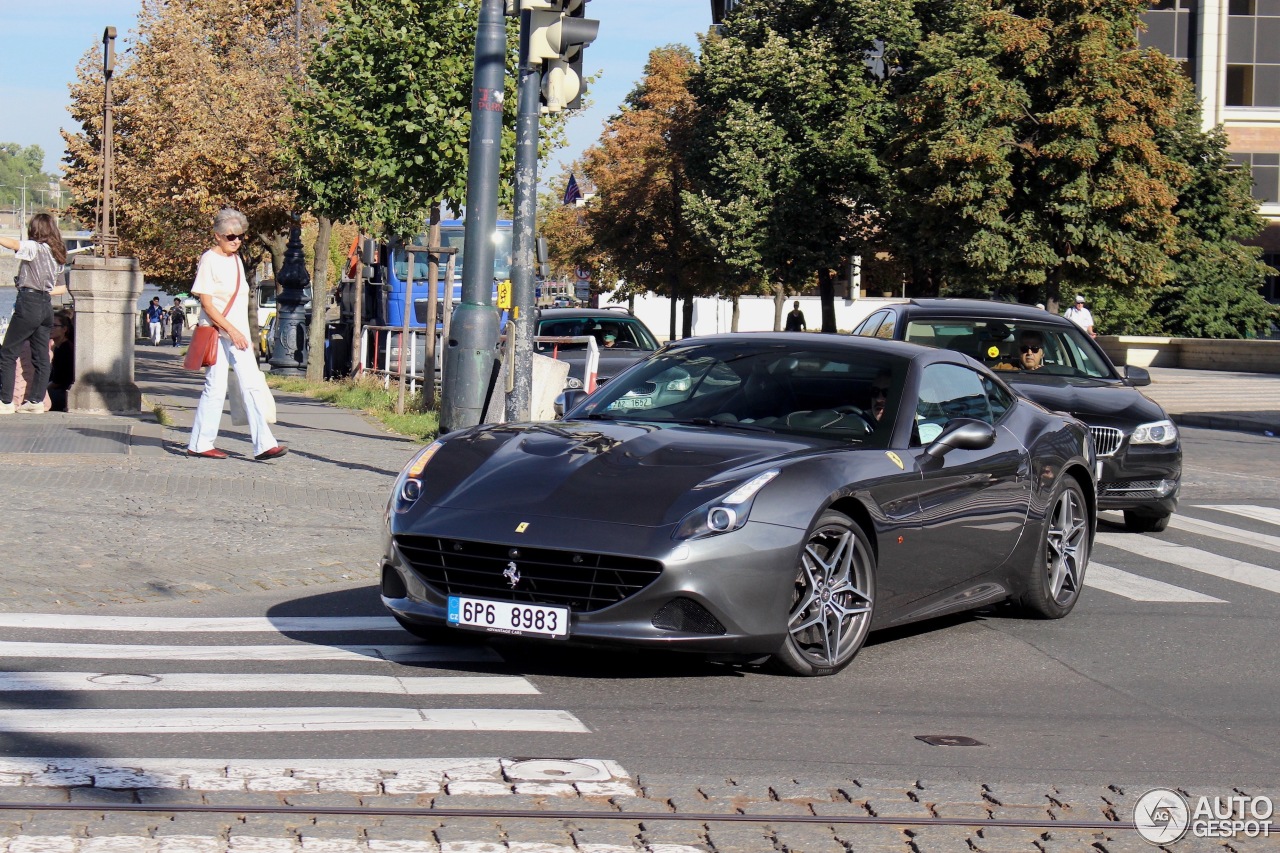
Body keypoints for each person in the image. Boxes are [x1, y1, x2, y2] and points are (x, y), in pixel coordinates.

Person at [187, 209, 287, 461]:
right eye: (231, 236)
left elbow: (240, 302)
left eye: (241, 236)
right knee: (216, 387)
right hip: (219, 332)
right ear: (217, 235)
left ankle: (263, 443)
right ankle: (201, 443)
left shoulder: (237, 260)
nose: (236, 241)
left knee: (251, 383)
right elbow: (208, 304)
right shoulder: (209, 260)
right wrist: (231, 329)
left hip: (236, 333)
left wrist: (242, 331)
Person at [0, 213, 68, 415]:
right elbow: (61, 289)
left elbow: (13, 244)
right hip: (45, 305)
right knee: (41, 356)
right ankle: (36, 400)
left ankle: (5, 401)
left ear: (35, 229)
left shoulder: (33, 247)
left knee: (7, 352)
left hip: (28, 302)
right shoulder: (58, 254)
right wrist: (43, 289)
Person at [47, 310, 74, 412]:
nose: (51, 328)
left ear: (64, 329)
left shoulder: (65, 348)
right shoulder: (58, 347)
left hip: (62, 392)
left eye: (54, 325)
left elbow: (59, 380)